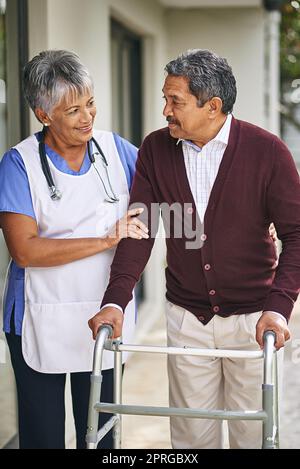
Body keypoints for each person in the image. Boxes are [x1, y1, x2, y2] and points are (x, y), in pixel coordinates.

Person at [89, 49, 300, 449]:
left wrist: (279, 306)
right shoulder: (155, 149)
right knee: (190, 437)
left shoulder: (268, 152)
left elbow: (297, 233)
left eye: (176, 102)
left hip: (253, 322)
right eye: (165, 98)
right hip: (187, 319)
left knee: (253, 435)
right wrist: (115, 301)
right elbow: (140, 229)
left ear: (212, 106)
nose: (165, 109)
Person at [0, 49, 148, 449]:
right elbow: (25, 250)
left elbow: (171, 188)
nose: (87, 118)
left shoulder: (117, 151)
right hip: (38, 314)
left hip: (102, 313)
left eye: (91, 103)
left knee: (100, 435)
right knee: (43, 435)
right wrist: (106, 238)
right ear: (43, 114)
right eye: (73, 111)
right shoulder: (19, 164)